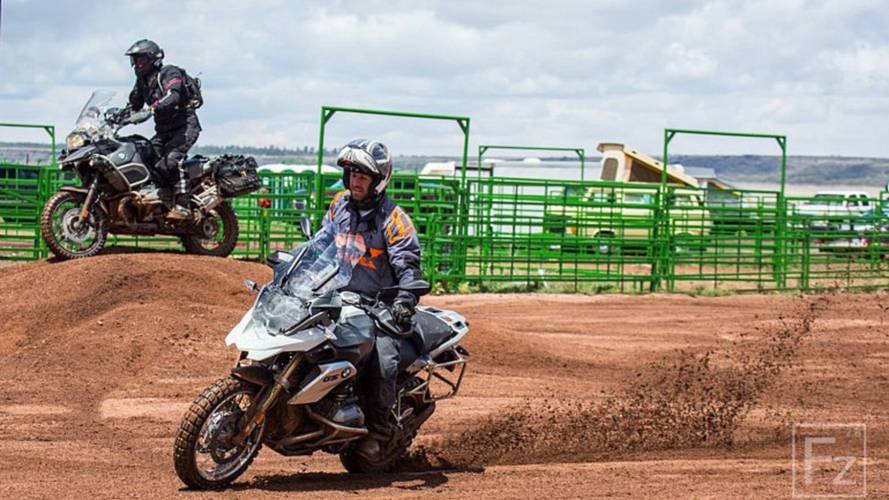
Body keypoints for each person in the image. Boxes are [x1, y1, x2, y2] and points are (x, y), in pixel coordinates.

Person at [323, 139, 422, 461]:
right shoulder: (339, 204)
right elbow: (320, 243)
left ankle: (379, 434)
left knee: (382, 362)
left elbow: (408, 265)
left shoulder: (394, 219)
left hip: (380, 307)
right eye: (351, 173)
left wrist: (405, 300)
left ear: (378, 180)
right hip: (336, 297)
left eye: (363, 176)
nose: (355, 181)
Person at [123, 39, 201, 220]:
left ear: (153, 58)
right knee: (146, 157)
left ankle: (183, 206)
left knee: (171, 161)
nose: (137, 64)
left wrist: (152, 108)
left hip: (184, 127)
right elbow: (134, 104)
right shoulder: (142, 81)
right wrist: (116, 117)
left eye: (141, 59)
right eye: (135, 60)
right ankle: (162, 198)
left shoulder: (168, 72)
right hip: (164, 130)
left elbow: (173, 95)